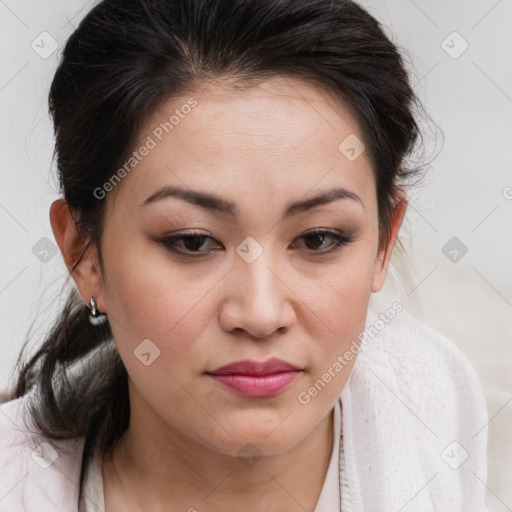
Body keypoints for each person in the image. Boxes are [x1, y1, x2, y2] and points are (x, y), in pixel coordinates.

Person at [0, 0, 489, 511]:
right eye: (192, 241)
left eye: (319, 238)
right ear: (85, 255)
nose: (260, 314)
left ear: (384, 243)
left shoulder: (435, 409)